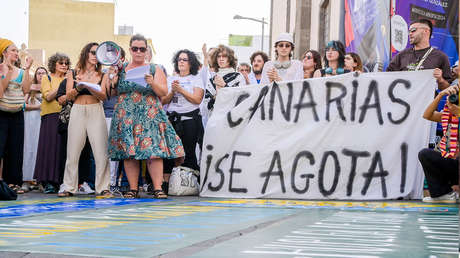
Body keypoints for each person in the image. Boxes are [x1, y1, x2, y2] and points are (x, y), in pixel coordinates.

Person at [108, 34, 184, 199]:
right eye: (135, 48)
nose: (138, 52)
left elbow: (164, 93)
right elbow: (112, 92)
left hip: (149, 115)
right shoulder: (121, 68)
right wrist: (111, 77)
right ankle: (133, 189)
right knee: (129, 153)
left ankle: (158, 188)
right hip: (126, 115)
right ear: (130, 49)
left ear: (146, 50)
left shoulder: (154, 68)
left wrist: (152, 82)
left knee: (153, 151)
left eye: (142, 49)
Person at [57, 42, 111, 197]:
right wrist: (79, 87)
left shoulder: (103, 74)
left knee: (101, 151)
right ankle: (68, 186)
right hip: (78, 110)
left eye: (98, 53)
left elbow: (104, 96)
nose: (96, 56)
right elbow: (68, 96)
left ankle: (103, 187)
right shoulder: (73, 73)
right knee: (72, 150)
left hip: (96, 110)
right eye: (93, 52)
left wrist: (90, 86)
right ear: (86, 53)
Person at [162, 49, 204, 177]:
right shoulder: (170, 79)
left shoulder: (196, 79)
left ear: (191, 63)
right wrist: (172, 92)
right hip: (172, 121)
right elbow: (163, 100)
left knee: (187, 152)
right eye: (179, 59)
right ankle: (167, 183)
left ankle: (186, 181)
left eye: (184, 59)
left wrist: (181, 90)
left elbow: (197, 99)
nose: (181, 62)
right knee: (169, 152)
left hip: (190, 121)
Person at [0, 39, 33, 194]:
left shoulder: (21, 71)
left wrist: (26, 69)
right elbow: (2, 91)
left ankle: (14, 183)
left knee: (16, 148)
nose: (16, 52)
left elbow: (26, 89)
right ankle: (2, 182)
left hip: (17, 112)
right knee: (1, 148)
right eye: (12, 50)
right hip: (2, 112)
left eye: (16, 50)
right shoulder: (1, 69)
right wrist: (7, 71)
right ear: (4, 52)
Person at [33, 53, 69, 193]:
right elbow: (47, 96)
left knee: (62, 150)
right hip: (50, 117)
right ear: (54, 64)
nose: (64, 66)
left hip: (65, 117)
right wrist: (63, 83)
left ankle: (60, 181)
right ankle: (47, 181)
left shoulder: (69, 79)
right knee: (49, 149)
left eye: (66, 63)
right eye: (61, 63)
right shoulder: (46, 78)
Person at [418, 84, 459, 203]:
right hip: (454, 165)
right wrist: (441, 94)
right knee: (425, 154)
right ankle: (443, 194)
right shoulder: (451, 116)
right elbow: (427, 115)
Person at [386, 18, 452, 90]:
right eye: (409, 31)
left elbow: (446, 88)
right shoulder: (401, 55)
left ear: (426, 31)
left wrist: (440, 79)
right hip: (403, 100)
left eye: (413, 30)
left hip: (428, 101)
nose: (410, 34)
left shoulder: (441, 57)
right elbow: (386, 78)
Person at [22, 67, 47, 192]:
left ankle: (40, 180)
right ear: (35, 75)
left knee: (40, 149)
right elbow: (23, 105)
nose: (41, 75)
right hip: (31, 121)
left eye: (43, 73)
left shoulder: (49, 87)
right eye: (39, 73)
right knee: (29, 148)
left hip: (43, 121)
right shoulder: (30, 88)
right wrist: (38, 106)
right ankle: (26, 179)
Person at [204, 44, 246, 113]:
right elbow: (206, 106)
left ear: (230, 59)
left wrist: (224, 85)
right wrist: (216, 96)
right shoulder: (211, 80)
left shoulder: (238, 77)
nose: (221, 59)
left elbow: (241, 98)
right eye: (218, 56)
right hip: (215, 118)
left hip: (232, 118)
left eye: (224, 56)